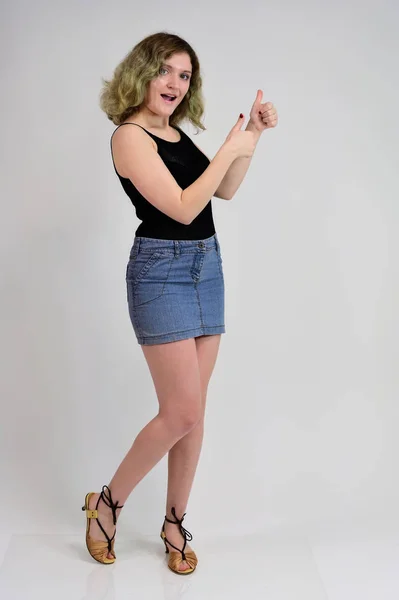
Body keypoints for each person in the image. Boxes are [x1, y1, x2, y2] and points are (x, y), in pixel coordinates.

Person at [81, 31, 278, 575]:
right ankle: (107, 504)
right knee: (181, 412)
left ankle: (173, 522)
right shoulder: (130, 137)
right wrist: (227, 151)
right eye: (165, 70)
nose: (174, 83)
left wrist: (251, 139)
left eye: (185, 75)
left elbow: (225, 192)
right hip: (161, 273)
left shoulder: (174, 133)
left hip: (204, 268)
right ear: (141, 73)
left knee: (195, 415)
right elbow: (184, 207)